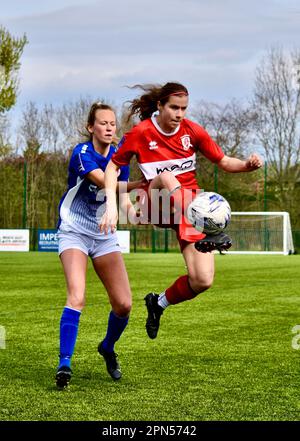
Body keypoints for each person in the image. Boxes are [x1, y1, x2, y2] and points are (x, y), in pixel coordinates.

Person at [100, 82, 263, 340]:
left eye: (184, 109)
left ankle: (158, 303)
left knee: (202, 280)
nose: (180, 114)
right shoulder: (141, 133)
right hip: (156, 201)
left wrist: (246, 165)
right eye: (174, 108)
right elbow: (112, 168)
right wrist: (111, 205)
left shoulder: (192, 131)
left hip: (188, 210)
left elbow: (222, 161)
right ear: (160, 106)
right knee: (167, 177)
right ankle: (210, 227)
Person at [55, 102, 142, 389]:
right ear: (91, 128)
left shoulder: (120, 157)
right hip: (74, 231)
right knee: (77, 296)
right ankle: (64, 364)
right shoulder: (82, 153)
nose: (108, 128)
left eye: (113, 124)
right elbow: (101, 179)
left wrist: (138, 206)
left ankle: (107, 347)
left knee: (124, 304)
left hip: (104, 235)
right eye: (102, 123)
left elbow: (126, 202)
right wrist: (122, 193)